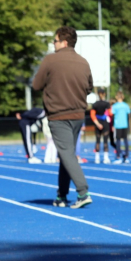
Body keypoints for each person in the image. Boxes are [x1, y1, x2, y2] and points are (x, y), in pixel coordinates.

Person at [32, 26, 94, 209]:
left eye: (55, 41)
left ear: (64, 42)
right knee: (66, 154)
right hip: (78, 115)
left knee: (66, 154)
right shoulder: (83, 62)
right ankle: (62, 194)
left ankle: (83, 192)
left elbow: (36, 85)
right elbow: (89, 87)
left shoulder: (51, 60)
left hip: (59, 115)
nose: (53, 44)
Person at [90, 88, 114, 164]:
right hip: (105, 123)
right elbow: (110, 113)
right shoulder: (107, 104)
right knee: (105, 141)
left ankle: (97, 158)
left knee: (97, 140)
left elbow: (92, 115)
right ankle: (105, 158)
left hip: (98, 123)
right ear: (104, 94)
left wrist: (97, 124)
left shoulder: (95, 104)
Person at [111, 91, 131, 164]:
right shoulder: (126, 105)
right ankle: (126, 156)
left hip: (118, 125)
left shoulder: (115, 106)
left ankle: (118, 156)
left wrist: (113, 125)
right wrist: (129, 125)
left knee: (118, 141)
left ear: (117, 97)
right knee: (125, 141)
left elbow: (113, 116)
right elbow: (128, 116)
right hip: (125, 125)